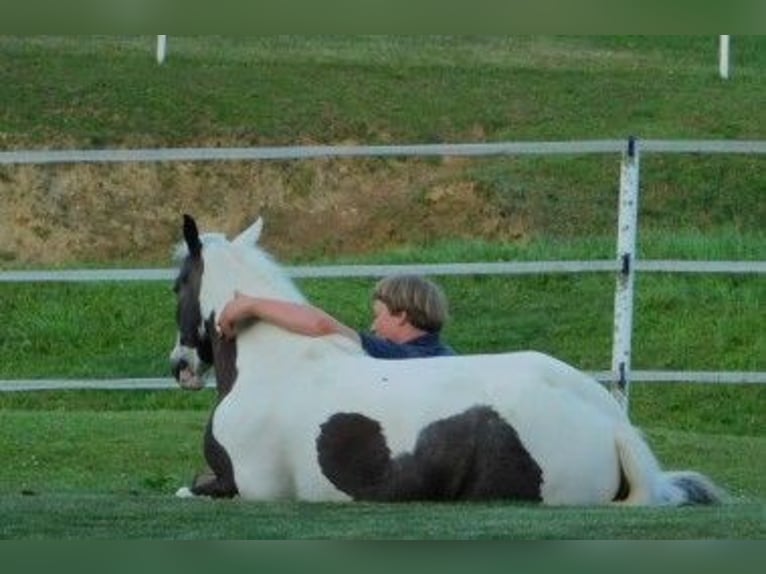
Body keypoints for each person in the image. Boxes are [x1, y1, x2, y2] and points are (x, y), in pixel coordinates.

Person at [217, 274, 455, 359]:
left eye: (378, 315)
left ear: (401, 316)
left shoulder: (404, 356)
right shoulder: (448, 356)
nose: (373, 326)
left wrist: (253, 305)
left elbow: (322, 325)